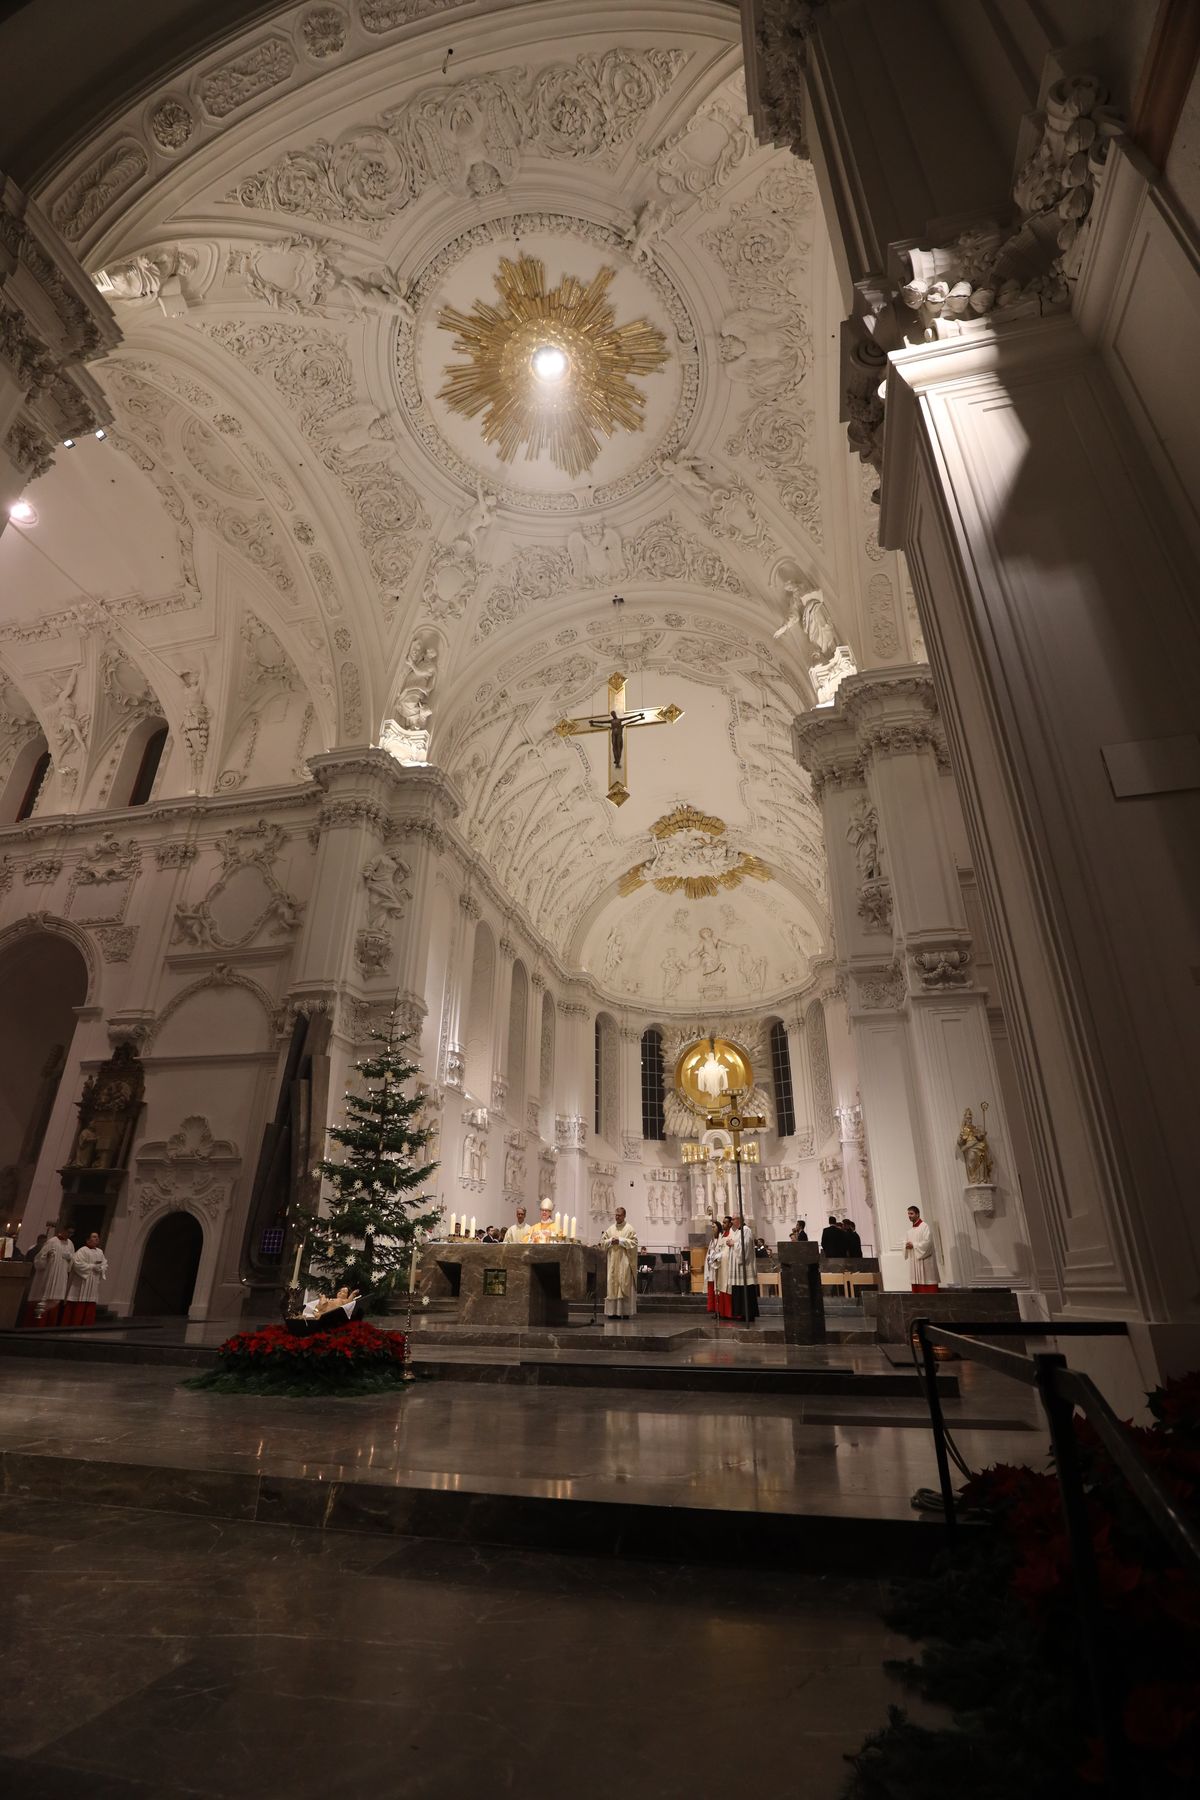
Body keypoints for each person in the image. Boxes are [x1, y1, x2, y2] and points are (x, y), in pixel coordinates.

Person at [31, 1222, 75, 1327]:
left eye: (72, 1233)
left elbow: (72, 1262)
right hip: (49, 1275)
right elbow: (38, 1259)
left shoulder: (70, 1244)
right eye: (68, 1232)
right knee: (44, 1297)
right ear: (63, 1230)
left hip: (61, 1276)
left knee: (56, 1299)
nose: (69, 1235)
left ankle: (50, 1326)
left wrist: (70, 1259)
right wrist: (46, 1257)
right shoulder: (52, 1242)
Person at [600, 1205, 638, 1321]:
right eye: (616, 1215)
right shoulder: (610, 1229)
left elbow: (634, 1243)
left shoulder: (629, 1229)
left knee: (623, 1285)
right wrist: (611, 1241)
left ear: (624, 1216)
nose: (617, 1217)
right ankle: (613, 1313)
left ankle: (625, 1312)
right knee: (612, 1285)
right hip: (613, 1262)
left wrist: (621, 1241)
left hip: (624, 1262)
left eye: (619, 1215)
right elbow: (602, 1242)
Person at [64, 1232, 108, 1326]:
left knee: (90, 1303)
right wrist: (92, 1267)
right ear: (88, 1240)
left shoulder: (100, 1252)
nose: (97, 1239)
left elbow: (105, 1264)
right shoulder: (82, 1251)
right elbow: (77, 1264)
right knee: (79, 1304)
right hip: (82, 1283)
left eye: (97, 1237)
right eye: (94, 1237)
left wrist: (101, 1268)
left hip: (93, 1283)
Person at [285, 1287, 365, 1337]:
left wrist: (353, 1294)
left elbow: (349, 1302)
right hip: (324, 1307)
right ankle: (318, 1309)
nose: (341, 1292)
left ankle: (319, 1311)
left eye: (344, 1292)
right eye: (340, 1291)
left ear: (347, 1295)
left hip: (330, 1310)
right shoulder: (332, 1299)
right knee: (320, 1305)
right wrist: (324, 1303)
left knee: (323, 1304)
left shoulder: (343, 1301)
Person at [723, 1214, 759, 1324]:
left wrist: (733, 1243)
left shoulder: (746, 1230)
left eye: (733, 1219)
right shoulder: (737, 1231)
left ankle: (749, 1314)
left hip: (744, 1266)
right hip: (737, 1268)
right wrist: (730, 1244)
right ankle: (742, 1313)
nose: (732, 1221)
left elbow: (746, 1246)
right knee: (738, 1291)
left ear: (740, 1220)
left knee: (746, 1291)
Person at [904, 1205, 939, 1291]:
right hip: (915, 1261)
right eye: (908, 1214)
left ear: (918, 1214)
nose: (909, 1216)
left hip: (925, 1260)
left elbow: (928, 1242)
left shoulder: (925, 1226)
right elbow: (907, 1244)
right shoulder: (910, 1231)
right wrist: (906, 1246)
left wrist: (914, 1245)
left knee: (927, 1281)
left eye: (911, 1213)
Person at [703, 1219, 724, 1314]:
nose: (712, 1229)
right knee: (712, 1288)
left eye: (714, 1227)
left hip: (718, 1267)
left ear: (719, 1228)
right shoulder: (712, 1240)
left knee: (718, 1289)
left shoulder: (722, 1239)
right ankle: (713, 1308)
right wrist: (709, 1257)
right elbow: (710, 1252)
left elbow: (722, 1252)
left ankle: (719, 1309)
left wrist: (715, 1257)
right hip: (712, 1267)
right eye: (711, 1227)